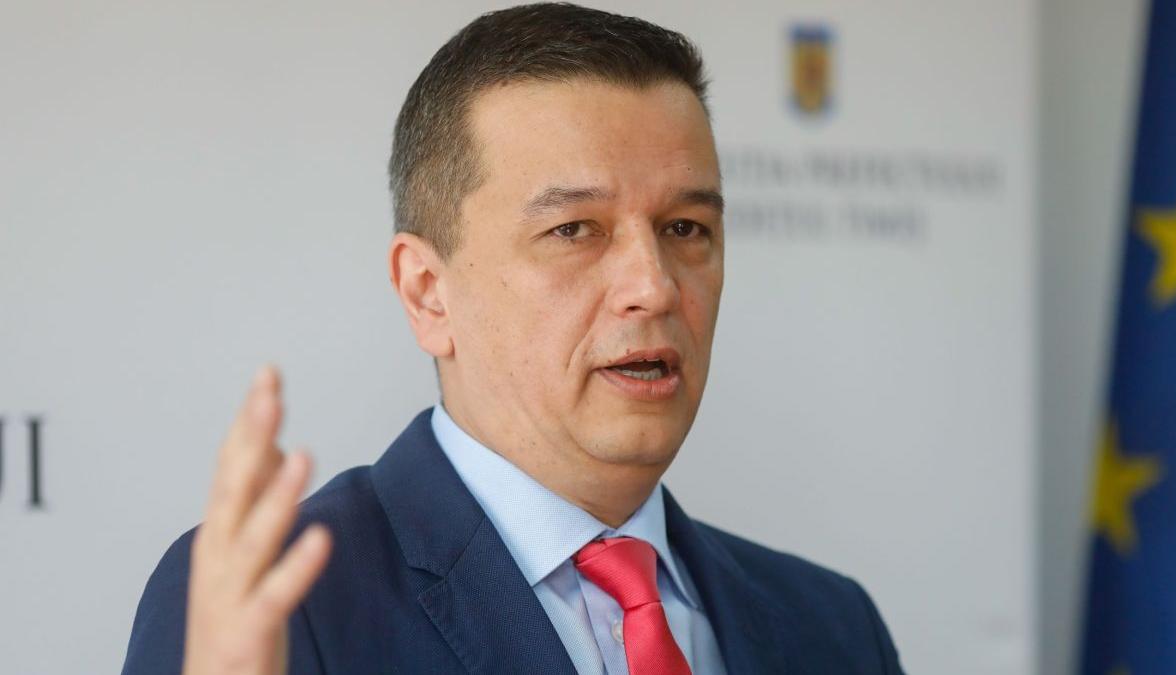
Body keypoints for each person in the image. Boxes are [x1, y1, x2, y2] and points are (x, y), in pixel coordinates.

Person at [121, 3, 904, 674]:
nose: (655, 285)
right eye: (575, 229)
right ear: (427, 292)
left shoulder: (834, 626)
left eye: (685, 228)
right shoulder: (277, 604)